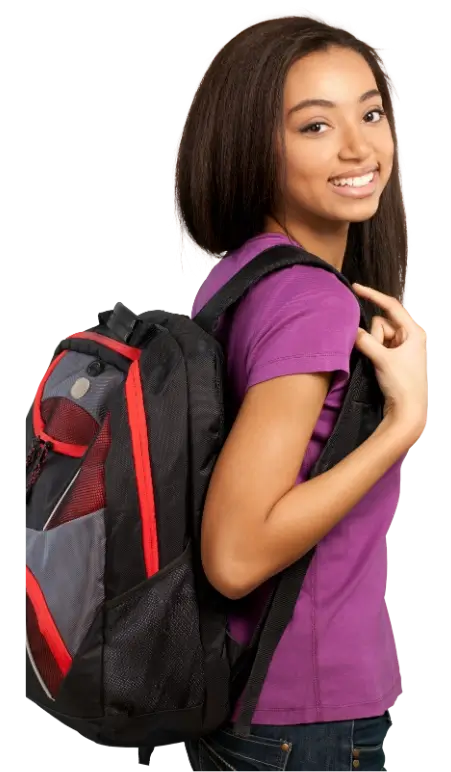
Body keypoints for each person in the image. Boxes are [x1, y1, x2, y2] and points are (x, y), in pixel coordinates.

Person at [173, 12, 427, 772]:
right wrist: (400, 426)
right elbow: (235, 554)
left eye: (371, 112)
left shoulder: (240, 276)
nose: (360, 148)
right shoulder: (309, 300)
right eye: (314, 127)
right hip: (305, 722)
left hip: (254, 706)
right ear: (255, 147)